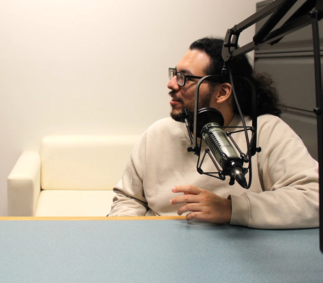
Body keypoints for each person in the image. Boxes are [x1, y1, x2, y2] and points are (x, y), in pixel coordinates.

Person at [108, 37, 319, 229]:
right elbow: (129, 199)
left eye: (185, 78)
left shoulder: (266, 131)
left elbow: (313, 199)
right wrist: (128, 238)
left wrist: (231, 209)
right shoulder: (157, 133)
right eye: (175, 74)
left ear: (222, 92)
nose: (171, 84)